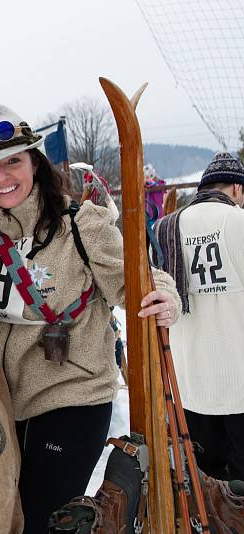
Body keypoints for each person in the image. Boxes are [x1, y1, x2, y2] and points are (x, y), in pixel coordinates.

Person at [0, 104, 181, 532]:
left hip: (71, 395)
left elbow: (139, 281)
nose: (1, 179)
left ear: (35, 164)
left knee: (44, 520)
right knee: (6, 517)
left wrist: (164, 297)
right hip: (1, 402)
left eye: (12, 162)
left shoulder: (81, 225)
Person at [156, 151, 244, 481]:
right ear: (236, 189)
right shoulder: (240, 221)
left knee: (206, 487)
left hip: (189, 382)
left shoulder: (164, 227)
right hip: (239, 382)